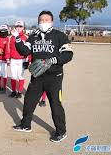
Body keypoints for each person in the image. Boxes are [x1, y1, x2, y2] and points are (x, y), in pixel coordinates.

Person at [13, 10, 73, 142]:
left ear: (52, 21)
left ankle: (61, 131)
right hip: (37, 76)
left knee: (55, 104)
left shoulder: (59, 36)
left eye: (46, 20)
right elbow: (24, 51)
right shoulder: (34, 36)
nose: (43, 22)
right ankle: (25, 125)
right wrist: (17, 38)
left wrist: (53, 60)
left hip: (54, 77)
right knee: (29, 101)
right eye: (41, 20)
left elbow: (68, 54)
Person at [5, 20, 29, 98]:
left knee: (21, 76)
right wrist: (7, 58)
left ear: (23, 27)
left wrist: (28, 60)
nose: (18, 28)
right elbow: (7, 49)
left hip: (22, 60)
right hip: (13, 60)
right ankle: (13, 91)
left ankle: (20, 91)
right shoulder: (10, 38)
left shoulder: (26, 37)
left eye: (20, 26)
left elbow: (29, 50)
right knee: (13, 76)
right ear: (15, 27)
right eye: (17, 27)